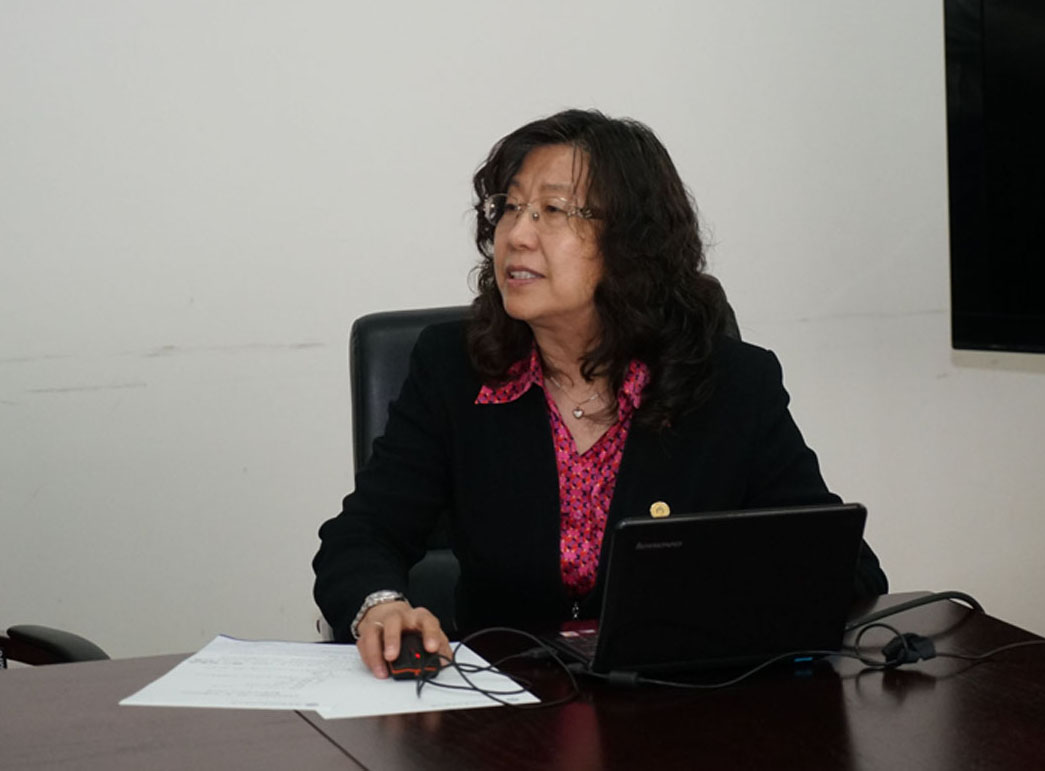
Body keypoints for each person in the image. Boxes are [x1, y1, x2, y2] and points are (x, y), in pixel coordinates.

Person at [313, 109, 888, 678]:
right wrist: (379, 605)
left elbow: (842, 568)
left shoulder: (732, 383)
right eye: (510, 207)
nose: (516, 235)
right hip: (508, 702)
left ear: (630, 242)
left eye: (553, 211)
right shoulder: (455, 370)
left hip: (682, 701)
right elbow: (362, 534)